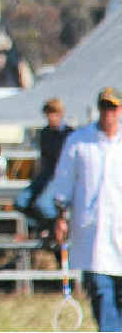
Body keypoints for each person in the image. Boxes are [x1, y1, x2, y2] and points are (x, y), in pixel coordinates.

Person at [45, 87, 122, 331]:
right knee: (101, 293)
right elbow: (63, 182)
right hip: (93, 235)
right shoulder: (79, 141)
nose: (108, 113)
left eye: (113, 107)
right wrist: (60, 217)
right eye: (104, 107)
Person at [14, 97, 74, 227]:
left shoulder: (70, 134)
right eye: (48, 114)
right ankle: (45, 227)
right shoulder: (45, 133)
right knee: (20, 202)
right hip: (46, 174)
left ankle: (58, 228)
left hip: (60, 175)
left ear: (60, 114)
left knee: (43, 205)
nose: (51, 117)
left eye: (54, 113)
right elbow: (43, 158)